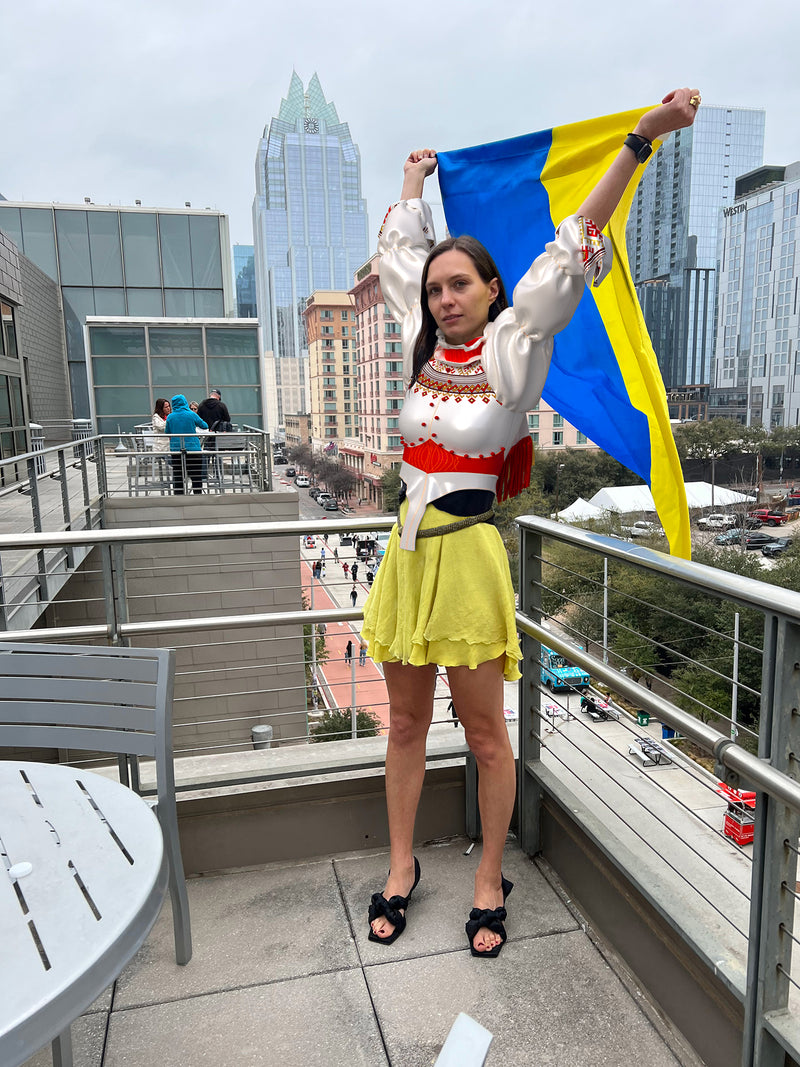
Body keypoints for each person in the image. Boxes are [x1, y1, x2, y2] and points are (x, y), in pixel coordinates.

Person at [362, 89, 700, 957]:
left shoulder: (517, 345)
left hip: (469, 556)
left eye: (459, 284)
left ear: (489, 289)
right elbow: (397, 246)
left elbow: (573, 243)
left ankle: (488, 875)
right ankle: (401, 867)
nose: (443, 298)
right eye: (436, 287)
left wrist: (638, 140)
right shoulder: (418, 339)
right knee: (403, 727)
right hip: (405, 557)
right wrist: (411, 179)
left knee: (483, 732)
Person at [165, 394, 207, 495]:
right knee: (196, 476)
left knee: (178, 476)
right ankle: (197, 497)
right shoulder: (191, 414)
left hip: (176, 451)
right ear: (184, 402)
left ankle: (179, 498)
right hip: (193, 450)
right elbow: (204, 425)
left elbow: (167, 432)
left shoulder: (170, 417)